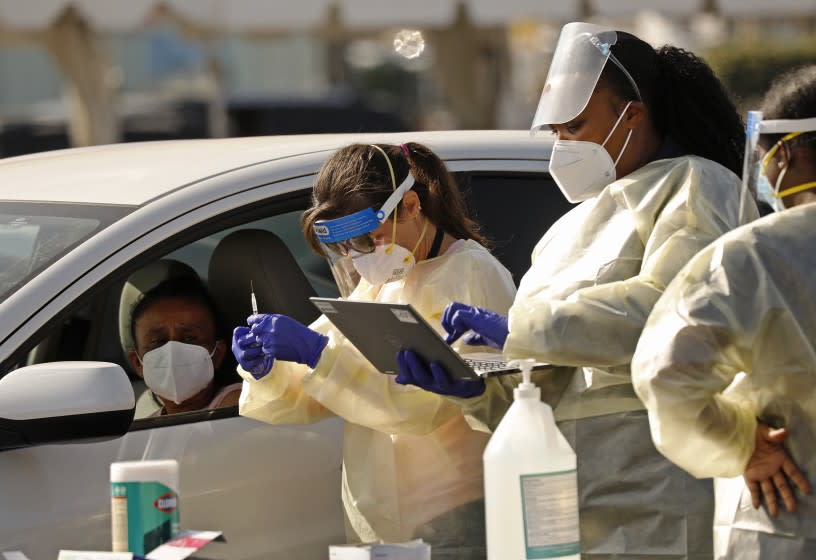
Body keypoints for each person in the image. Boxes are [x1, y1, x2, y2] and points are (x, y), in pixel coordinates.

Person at [397, 22, 759, 559]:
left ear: (631, 115)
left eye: (576, 125)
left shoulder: (696, 183)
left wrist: (520, 330)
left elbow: (671, 311)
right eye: (556, 132)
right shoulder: (565, 230)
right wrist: (473, 387)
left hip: (654, 479)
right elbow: (544, 375)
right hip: (560, 488)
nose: (564, 144)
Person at [231, 142, 516, 558]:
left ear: (412, 205)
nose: (358, 257)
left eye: (368, 239)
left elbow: (422, 407)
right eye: (344, 248)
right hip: (380, 528)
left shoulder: (471, 273)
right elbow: (321, 393)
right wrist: (268, 369)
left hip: (456, 519)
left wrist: (319, 355)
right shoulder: (382, 284)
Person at [632, 65, 816, 559]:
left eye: (764, 159)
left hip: (786, 519)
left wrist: (741, 445)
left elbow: (668, 372)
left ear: (788, 153)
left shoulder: (753, 255)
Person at [128, 276, 240, 415]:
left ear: (217, 354)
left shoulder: (236, 403)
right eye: (158, 341)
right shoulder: (149, 422)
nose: (172, 351)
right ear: (138, 363)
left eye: (189, 338)